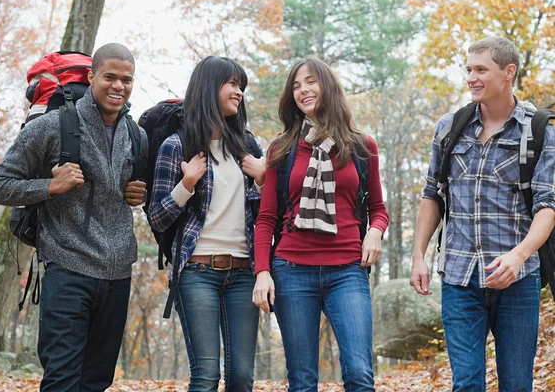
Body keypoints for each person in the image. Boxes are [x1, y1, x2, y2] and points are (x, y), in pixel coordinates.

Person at [0, 43, 148, 392]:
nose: (118, 86)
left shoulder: (137, 136)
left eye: (126, 79)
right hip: (67, 267)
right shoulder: (51, 126)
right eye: (110, 77)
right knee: (62, 378)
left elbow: (122, 193)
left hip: (118, 273)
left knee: (97, 380)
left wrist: (138, 194)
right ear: (91, 77)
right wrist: (50, 186)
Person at [410, 36, 555, 391]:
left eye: (481, 70)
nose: (471, 78)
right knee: (467, 384)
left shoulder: (538, 131)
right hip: (459, 277)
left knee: (517, 385)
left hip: (518, 280)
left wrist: (519, 256)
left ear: (509, 72)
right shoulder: (449, 128)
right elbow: (433, 195)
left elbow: (548, 206)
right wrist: (418, 255)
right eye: (468, 69)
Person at [252, 56, 389, 392]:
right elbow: (266, 218)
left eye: (310, 81)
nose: (303, 90)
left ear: (327, 85)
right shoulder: (282, 149)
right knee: (302, 380)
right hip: (291, 270)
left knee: (359, 373)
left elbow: (378, 208)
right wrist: (262, 271)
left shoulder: (360, 146)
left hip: (348, 270)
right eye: (296, 86)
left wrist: (374, 231)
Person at [148, 56, 265, 392]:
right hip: (197, 273)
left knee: (242, 377)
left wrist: (262, 180)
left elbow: (264, 216)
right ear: (208, 87)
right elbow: (157, 217)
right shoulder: (177, 147)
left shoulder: (248, 146)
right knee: (206, 376)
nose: (238, 92)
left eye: (241, 86)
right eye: (231, 83)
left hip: (244, 274)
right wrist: (186, 186)